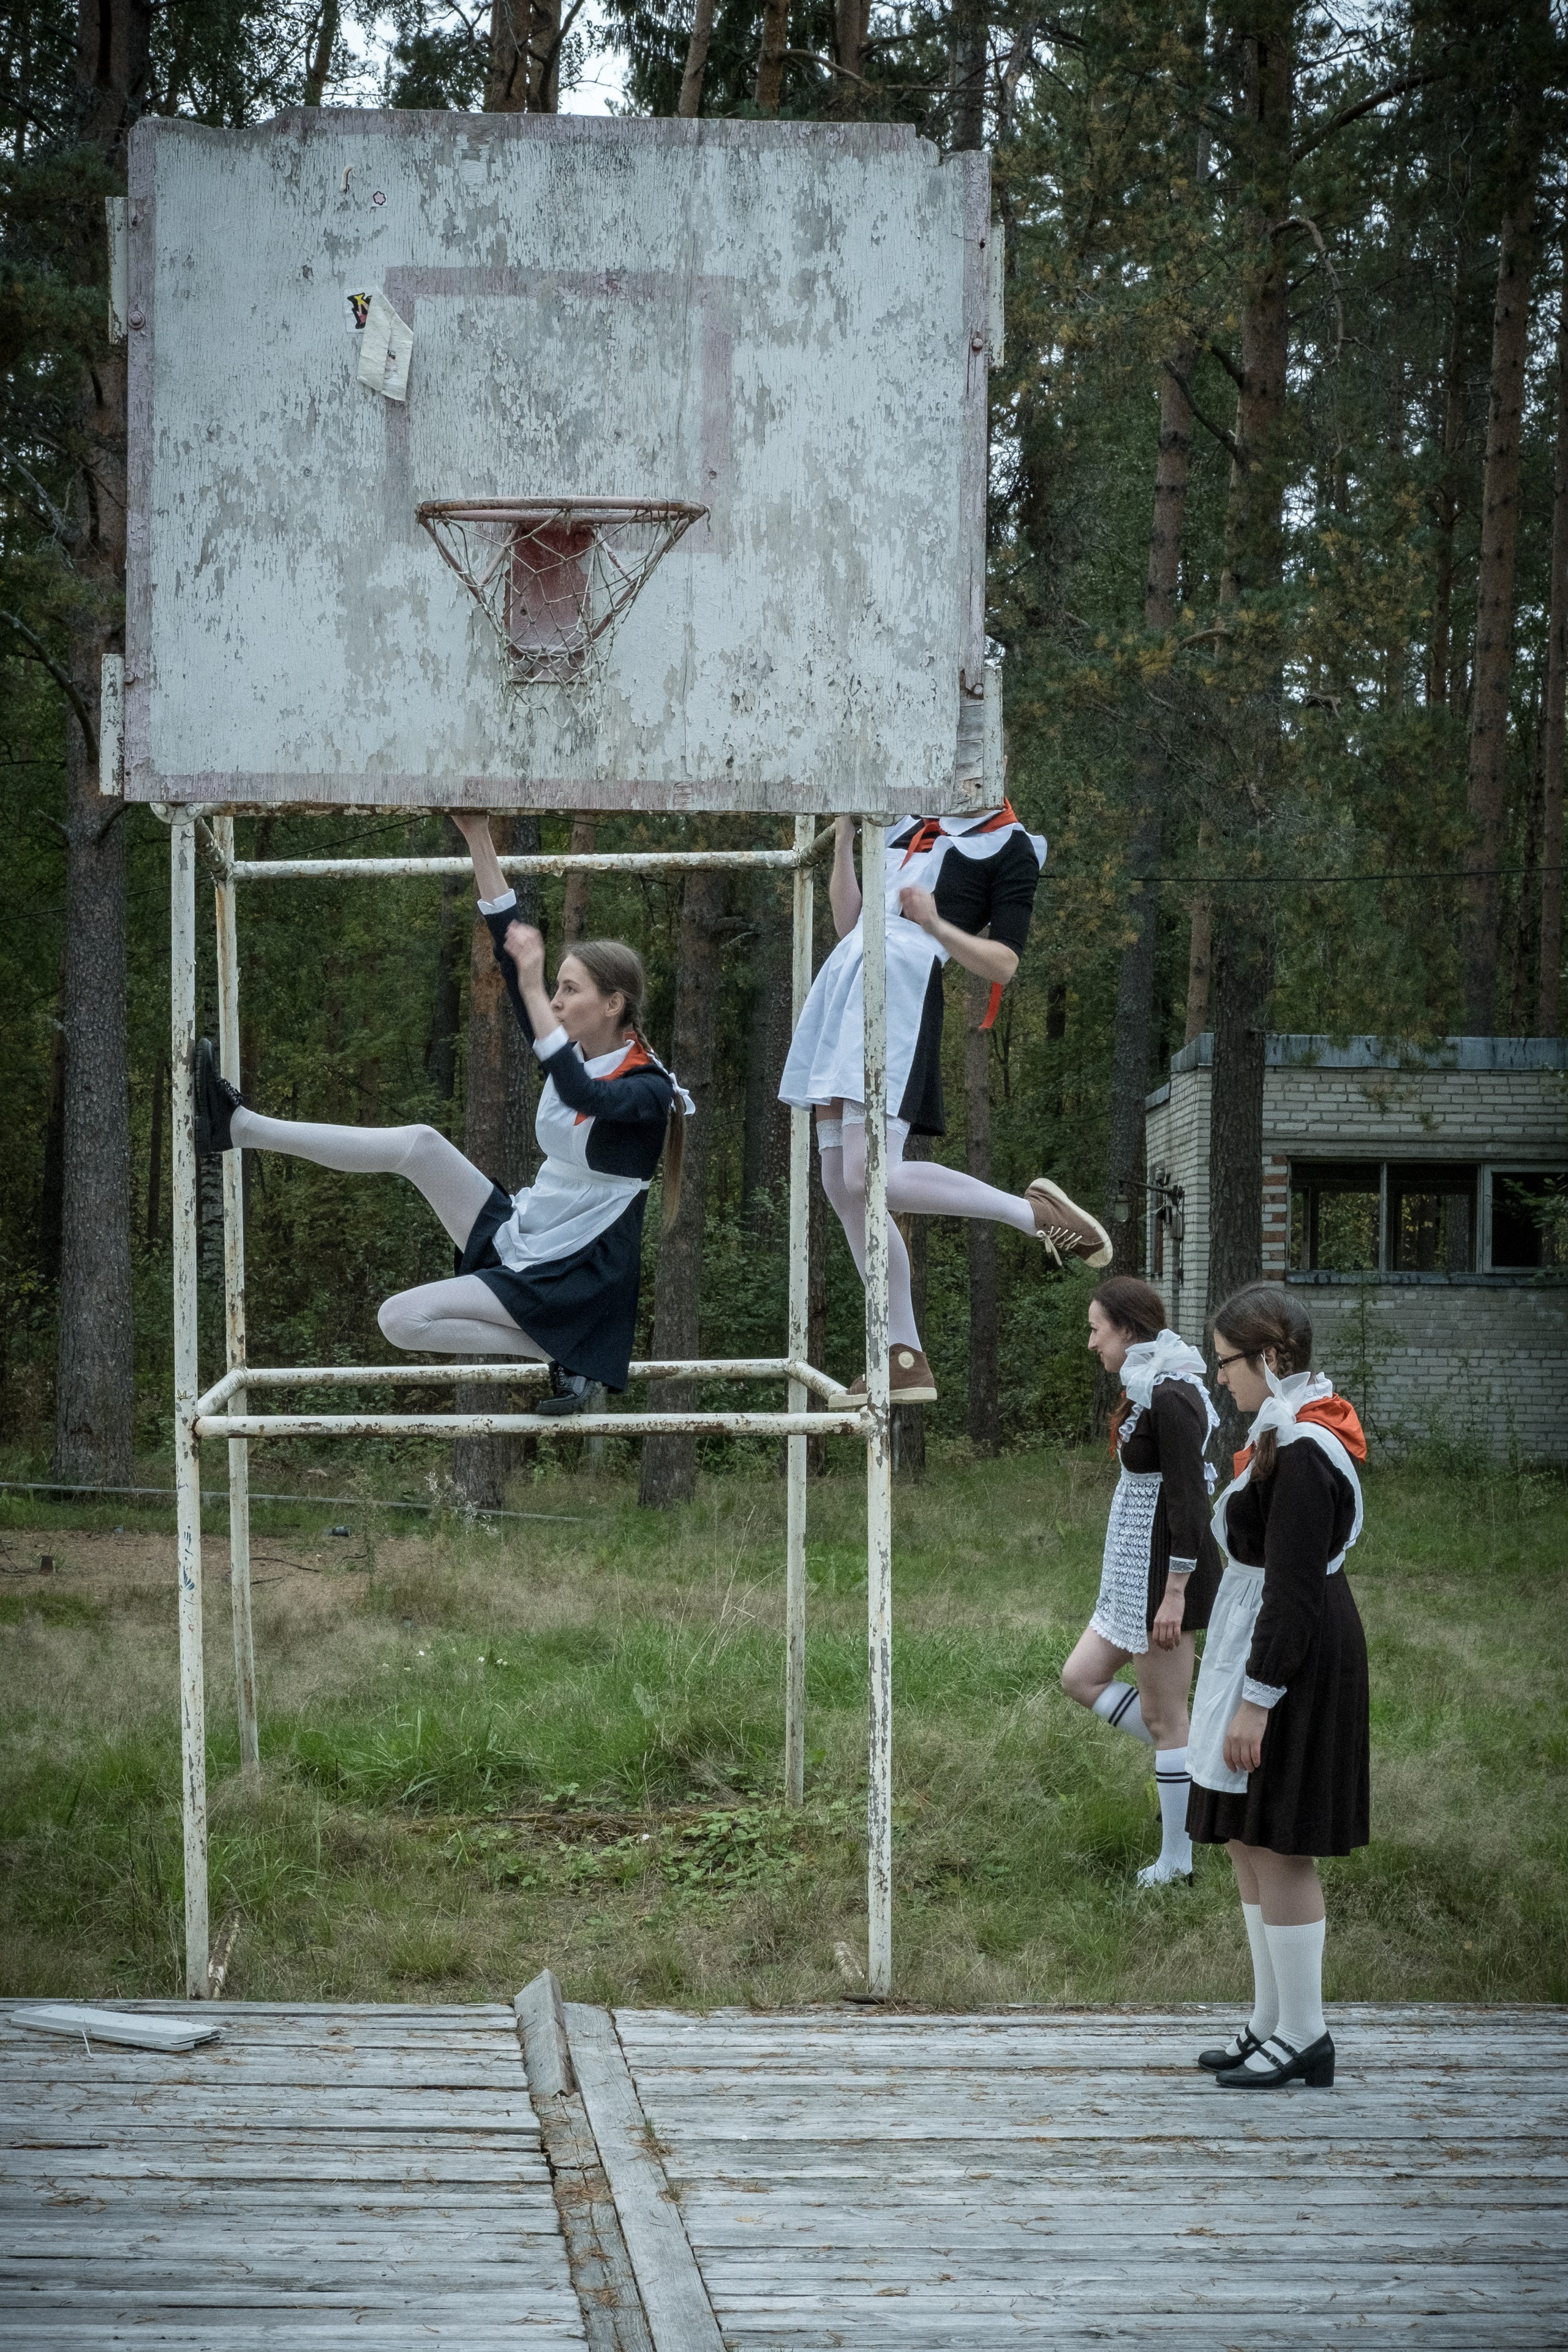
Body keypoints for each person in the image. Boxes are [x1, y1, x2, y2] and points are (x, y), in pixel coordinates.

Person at [192, 812, 691, 1413]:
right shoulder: (576, 1052)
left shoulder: (649, 1090)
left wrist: (534, 992)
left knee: (400, 1318)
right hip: (533, 1229)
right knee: (420, 1144)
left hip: (574, 1274)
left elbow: (590, 1101)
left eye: (570, 991)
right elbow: (512, 956)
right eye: (553, 987)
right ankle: (237, 1128)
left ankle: (561, 1347)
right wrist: (477, 835)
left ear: (614, 1004)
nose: (555, 1001)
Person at [778, 808, 1111, 1401]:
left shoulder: (1011, 846)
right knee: (837, 1180)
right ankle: (902, 1352)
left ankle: (1032, 1214)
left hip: (900, 985)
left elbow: (1004, 964)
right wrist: (847, 838)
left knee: (868, 1174)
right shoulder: (904, 821)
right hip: (846, 977)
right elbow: (849, 922)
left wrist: (934, 925)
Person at [1187, 1283, 1370, 2090]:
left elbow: (1293, 1589)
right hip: (1265, 1638)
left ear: (1269, 1358)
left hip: (1293, 1654)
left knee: (1282, 1840)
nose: (1220, 1378)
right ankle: (1270, 2019)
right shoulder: (1280, 1433)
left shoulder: (1302, 1449)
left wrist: (1257, 1700)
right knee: (1245, 1831)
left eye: (1226, 1362)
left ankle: (1306, 2031)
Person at [1060, 1276, 1222, 1885]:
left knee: (1165, 1719)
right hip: (1132, 1576)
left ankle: (1177, 1860)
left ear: (1127, 1329)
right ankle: (1183, 1758)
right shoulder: (1147, 1383)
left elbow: (1188, 1499)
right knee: (1080, 1677)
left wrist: (1175, 1593)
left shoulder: (1172, 1393)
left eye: (1096, 1328)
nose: (1091, 1341)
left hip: (1163, 1581)